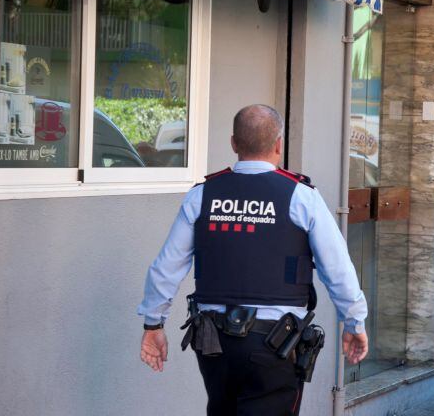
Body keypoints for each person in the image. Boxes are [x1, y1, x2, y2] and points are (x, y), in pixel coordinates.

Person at [138, 104, 368, 415]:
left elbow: (166, 267)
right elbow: (337, 268)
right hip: (275, 344)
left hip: (213, 342)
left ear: (234, 143)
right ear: (278, 144)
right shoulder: (301, 196)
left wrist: (154, 322)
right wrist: (353, 321)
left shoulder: (202, 195)